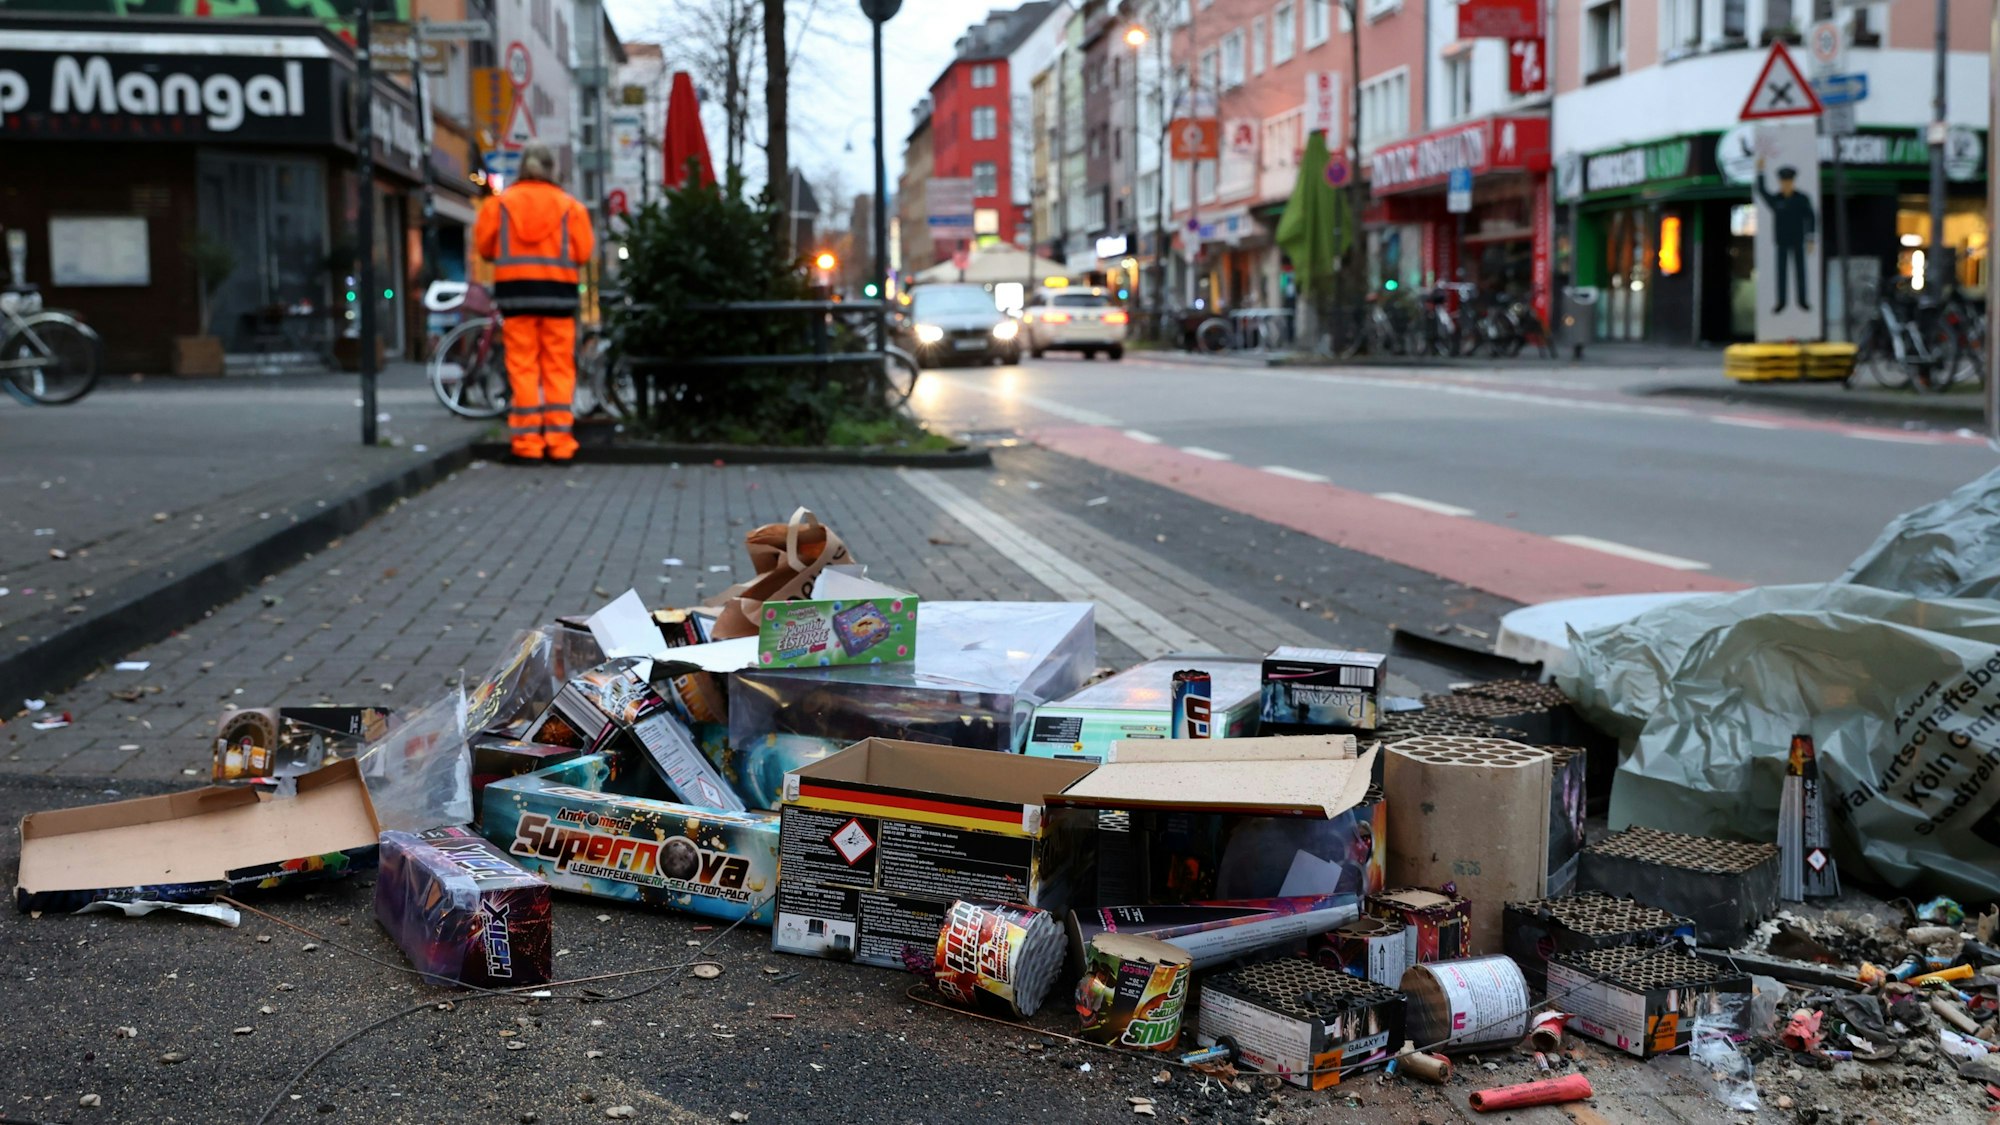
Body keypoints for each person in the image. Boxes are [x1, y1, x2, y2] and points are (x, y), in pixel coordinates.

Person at [473, 142, 596, 461]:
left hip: (517, 299)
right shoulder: (572, 208)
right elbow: (583, 253)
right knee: (558, 369)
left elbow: (485, 248)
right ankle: (560, 444)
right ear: (552, 169)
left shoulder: (499, 206)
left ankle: (527, 445)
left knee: (523, 368)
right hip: (559, 299)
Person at [1757, 158, 1816, 315]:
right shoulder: (1777, 200)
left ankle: (1802, 301)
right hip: (1781, 241)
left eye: (1788, 182)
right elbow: (1762, 191)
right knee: (1781, 273)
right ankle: (1781, 302)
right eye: (1783, 182)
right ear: (1780, 183)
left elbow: (1811, 217)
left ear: (1792, 182)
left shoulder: (1801, 199)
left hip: (1798, 240)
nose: (1786, 185)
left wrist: (1811, 238)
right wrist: (1761, 172)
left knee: (1800, 272)